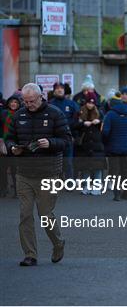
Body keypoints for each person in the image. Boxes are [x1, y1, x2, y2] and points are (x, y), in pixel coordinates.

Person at [5, 83, 71, 266]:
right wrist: (12, 148)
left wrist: (50, 143)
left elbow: (67, 140)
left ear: (41, 97)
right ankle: (30, 254)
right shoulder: (19, 115)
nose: (28, 105)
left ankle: (58, 243)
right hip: (24, 173)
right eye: (25, 101)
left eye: (31, 101)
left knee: (45, 215)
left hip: (49, 173)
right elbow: (10, 138)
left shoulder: (55, 113)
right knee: (25, 215)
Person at [102, 93, 127, 201]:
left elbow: (105, 132)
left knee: (114, 172)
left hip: (113, 149)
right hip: (126, 148)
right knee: (125, 171)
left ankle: (117, 194)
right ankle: (126, 193)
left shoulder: (110, 115)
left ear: (112, 104)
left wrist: (106, 144)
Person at [73, 92, 107, 195]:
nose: (90, 105)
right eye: (88, 102)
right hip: (84, 144)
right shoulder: (80, 112)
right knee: (85, 167)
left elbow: (104, 127)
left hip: (97, 144)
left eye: (92, 103)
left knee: (97, 166)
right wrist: (82, 124)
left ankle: (97, 187)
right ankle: (86, 186)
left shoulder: (100, 113)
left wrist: (99, 122)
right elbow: (73, 126)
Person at [49, 82, 79, 180]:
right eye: (57, 88)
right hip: (54, 138)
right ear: (54, 91)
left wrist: (75, 136)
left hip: (68, 137)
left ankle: (69, 182)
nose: (59, 90)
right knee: (55, 162)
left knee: (68, 162)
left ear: (64, 90)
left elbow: (76, 122)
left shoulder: (72, 104)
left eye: (61, 88)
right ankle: (56, 182)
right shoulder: (50, 104)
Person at [0, 95, 21, 198]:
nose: (14, 104)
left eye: (16, 102)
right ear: (8, 103)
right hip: (3, 144)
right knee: (2, 168)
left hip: (15, 144)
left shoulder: (21, 114)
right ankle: (3, 189)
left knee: (14, 169)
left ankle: (17, 191)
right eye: (12, 102)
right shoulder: (3, 113)